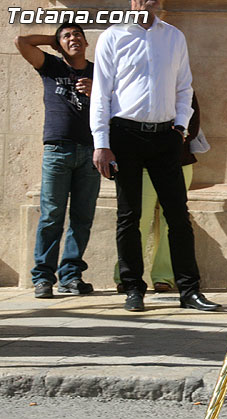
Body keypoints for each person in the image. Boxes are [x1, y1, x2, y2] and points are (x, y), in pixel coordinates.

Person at [90, 0, 221, 312]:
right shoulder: (113, 36)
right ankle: (133, 288)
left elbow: (183, 87)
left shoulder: (174, 36)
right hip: (125, 135)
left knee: (178, 215)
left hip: (166, 136)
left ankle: (189, 291)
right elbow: (101, 93)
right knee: (129, 215)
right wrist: (101, 142)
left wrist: (180, 127)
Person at [15, 23, 100, 299]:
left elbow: (118, 102)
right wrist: (53, 39)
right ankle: (43, 278)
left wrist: (96, 90)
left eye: (77, 35)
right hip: (57, 150)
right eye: (67, 36)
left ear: (86, 43)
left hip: (91, 151)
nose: (73, 38)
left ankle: (71, 276)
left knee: (82, 217)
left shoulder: (99, 72)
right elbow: (21, 41)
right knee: (51, 215)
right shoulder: (51, 66)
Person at [113, 94, 201, 294]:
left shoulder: (182, 86)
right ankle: (125, 277)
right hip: (141, 163)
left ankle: (164, 277)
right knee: (138, 217)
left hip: (180, 161)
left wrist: (174, 139)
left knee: (173, 220)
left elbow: (193, 123)